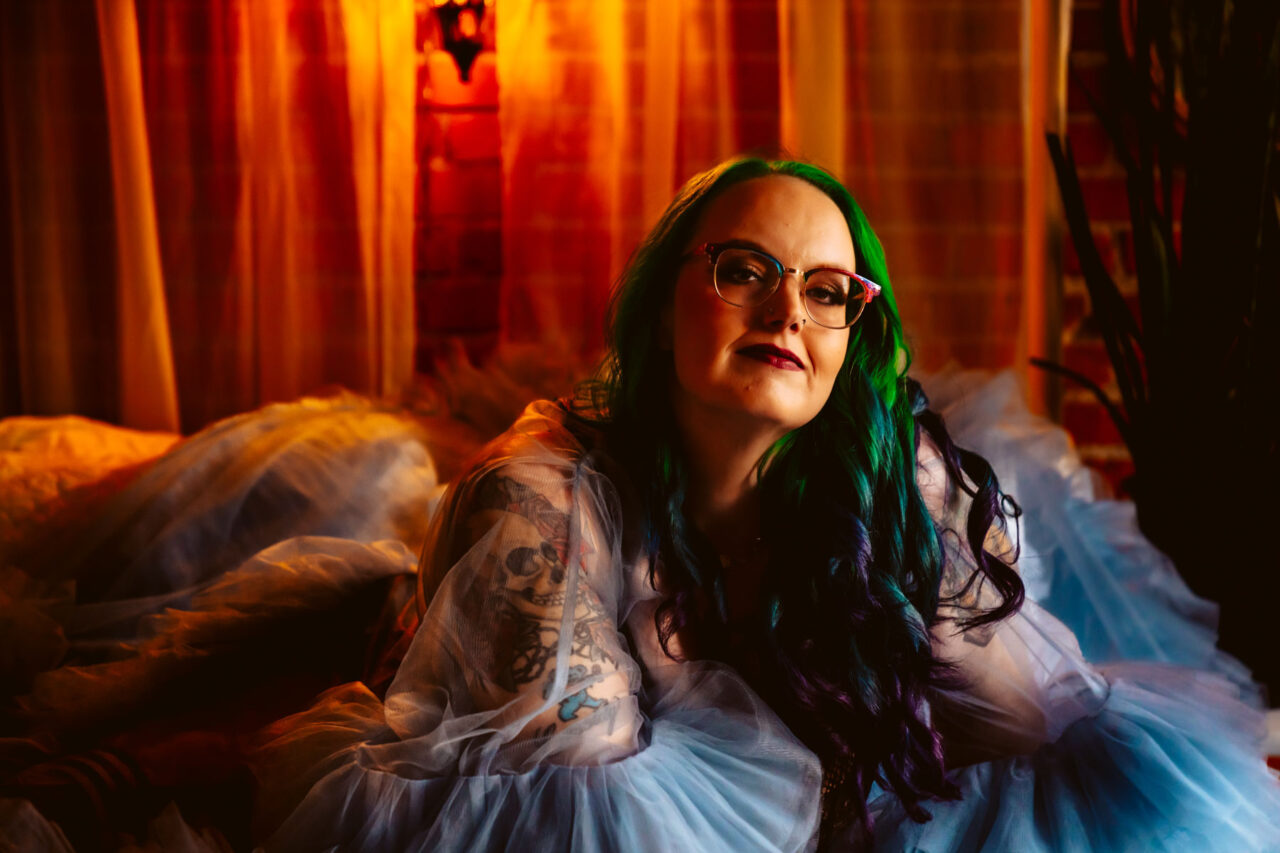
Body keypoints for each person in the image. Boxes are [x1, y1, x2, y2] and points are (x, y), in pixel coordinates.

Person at [249, 157, 1280, 851]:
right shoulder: (546, 495)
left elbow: (1025, 734)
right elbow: (584, 802)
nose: (788, 309)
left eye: (829, 290)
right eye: (746, 271)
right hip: (475, 660)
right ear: (659, 309)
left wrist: (898, 486)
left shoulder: (874, 485)